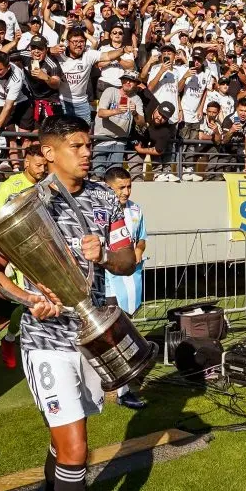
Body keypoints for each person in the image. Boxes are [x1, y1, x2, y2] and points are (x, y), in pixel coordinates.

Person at [0, 115, 136, 491]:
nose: (87, 153)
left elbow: (128, 259)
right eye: (76, 145)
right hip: (46, 341)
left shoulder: (104, 198)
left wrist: (107, 258)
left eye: (89, 144)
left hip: (91, 338)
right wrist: (28, 299)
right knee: (76, 451)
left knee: (63, 448)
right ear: (48, 153)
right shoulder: (21, 205)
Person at [0, 144, 48, 370]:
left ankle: (41, 346)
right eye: (38, 165)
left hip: (44, 250)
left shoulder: (48, 184)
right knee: (25, 301)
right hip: (18, 251)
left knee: (45, 298)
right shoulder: (11, 186)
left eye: (44, 165)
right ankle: (11, 338)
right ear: (26, 163)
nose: (42, 169)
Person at [103, 166, 147, 410]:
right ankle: (114, 385)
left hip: (128, 281)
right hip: (104, 281)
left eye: (129, 186)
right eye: (122, 187)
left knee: (124, 332)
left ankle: (122, 388)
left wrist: (139, 249)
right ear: (108, 187)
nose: (127, 191)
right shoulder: (97, 211)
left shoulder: (136, 210)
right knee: (110, 334)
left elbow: (141, 237)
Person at [92, 71, 145, 180]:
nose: (128, 82)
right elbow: (101, 113)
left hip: (120, 141)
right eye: (126, 79)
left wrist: (135, 113)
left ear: (136, 84)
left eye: (132, 81)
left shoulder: (136, 99)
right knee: (97, 175)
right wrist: (117, 111)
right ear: (122, 81)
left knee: (114, 177)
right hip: (102, 139)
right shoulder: (110, 91)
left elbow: (142, 123)